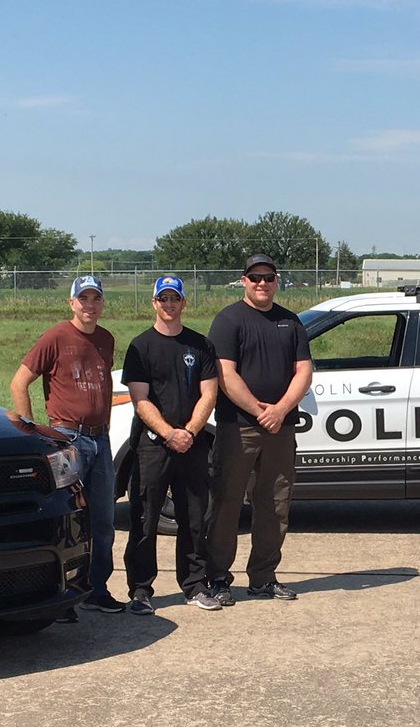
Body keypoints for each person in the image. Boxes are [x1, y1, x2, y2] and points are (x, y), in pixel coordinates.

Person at [10, 274, 122, 615]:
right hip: (67, 437)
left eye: (95, 299)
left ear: (102, 303)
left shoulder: (106, 339)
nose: (90, 305)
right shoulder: (57, 336)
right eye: (83, 299)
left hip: (99, 439)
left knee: (103, 519)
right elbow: (19, 382)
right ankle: (64, 596)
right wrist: (32, 432)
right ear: (71, 302)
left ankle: (96, 589)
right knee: (68, 519)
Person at [204, 254, 312, 602]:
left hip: (281, 427)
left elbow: (304, 371)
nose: (262, 283)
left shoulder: (290, 322)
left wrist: (280, 410)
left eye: (268, 277)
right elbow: (225, 373)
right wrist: (257, 410)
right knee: (226, 503)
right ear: (244, 281)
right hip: (239, 428)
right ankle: (218, 577)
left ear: (277, 281)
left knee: (275, 503)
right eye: (255, 278)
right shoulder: (228, 320)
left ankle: (263, 577)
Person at [121, 276, 220, 613]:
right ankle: (140, 590)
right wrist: (168, 433)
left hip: (192, 444)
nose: (169, 304)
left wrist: (189, 432)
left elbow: (209, 394)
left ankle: (194, 585)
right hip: (152, 446)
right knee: (145, 519)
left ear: (183, 303)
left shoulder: (200, 345)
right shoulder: (140, 346)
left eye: (174, 298)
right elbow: (140, 400)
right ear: (154, 303)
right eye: (162, 299)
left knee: (194, 518)